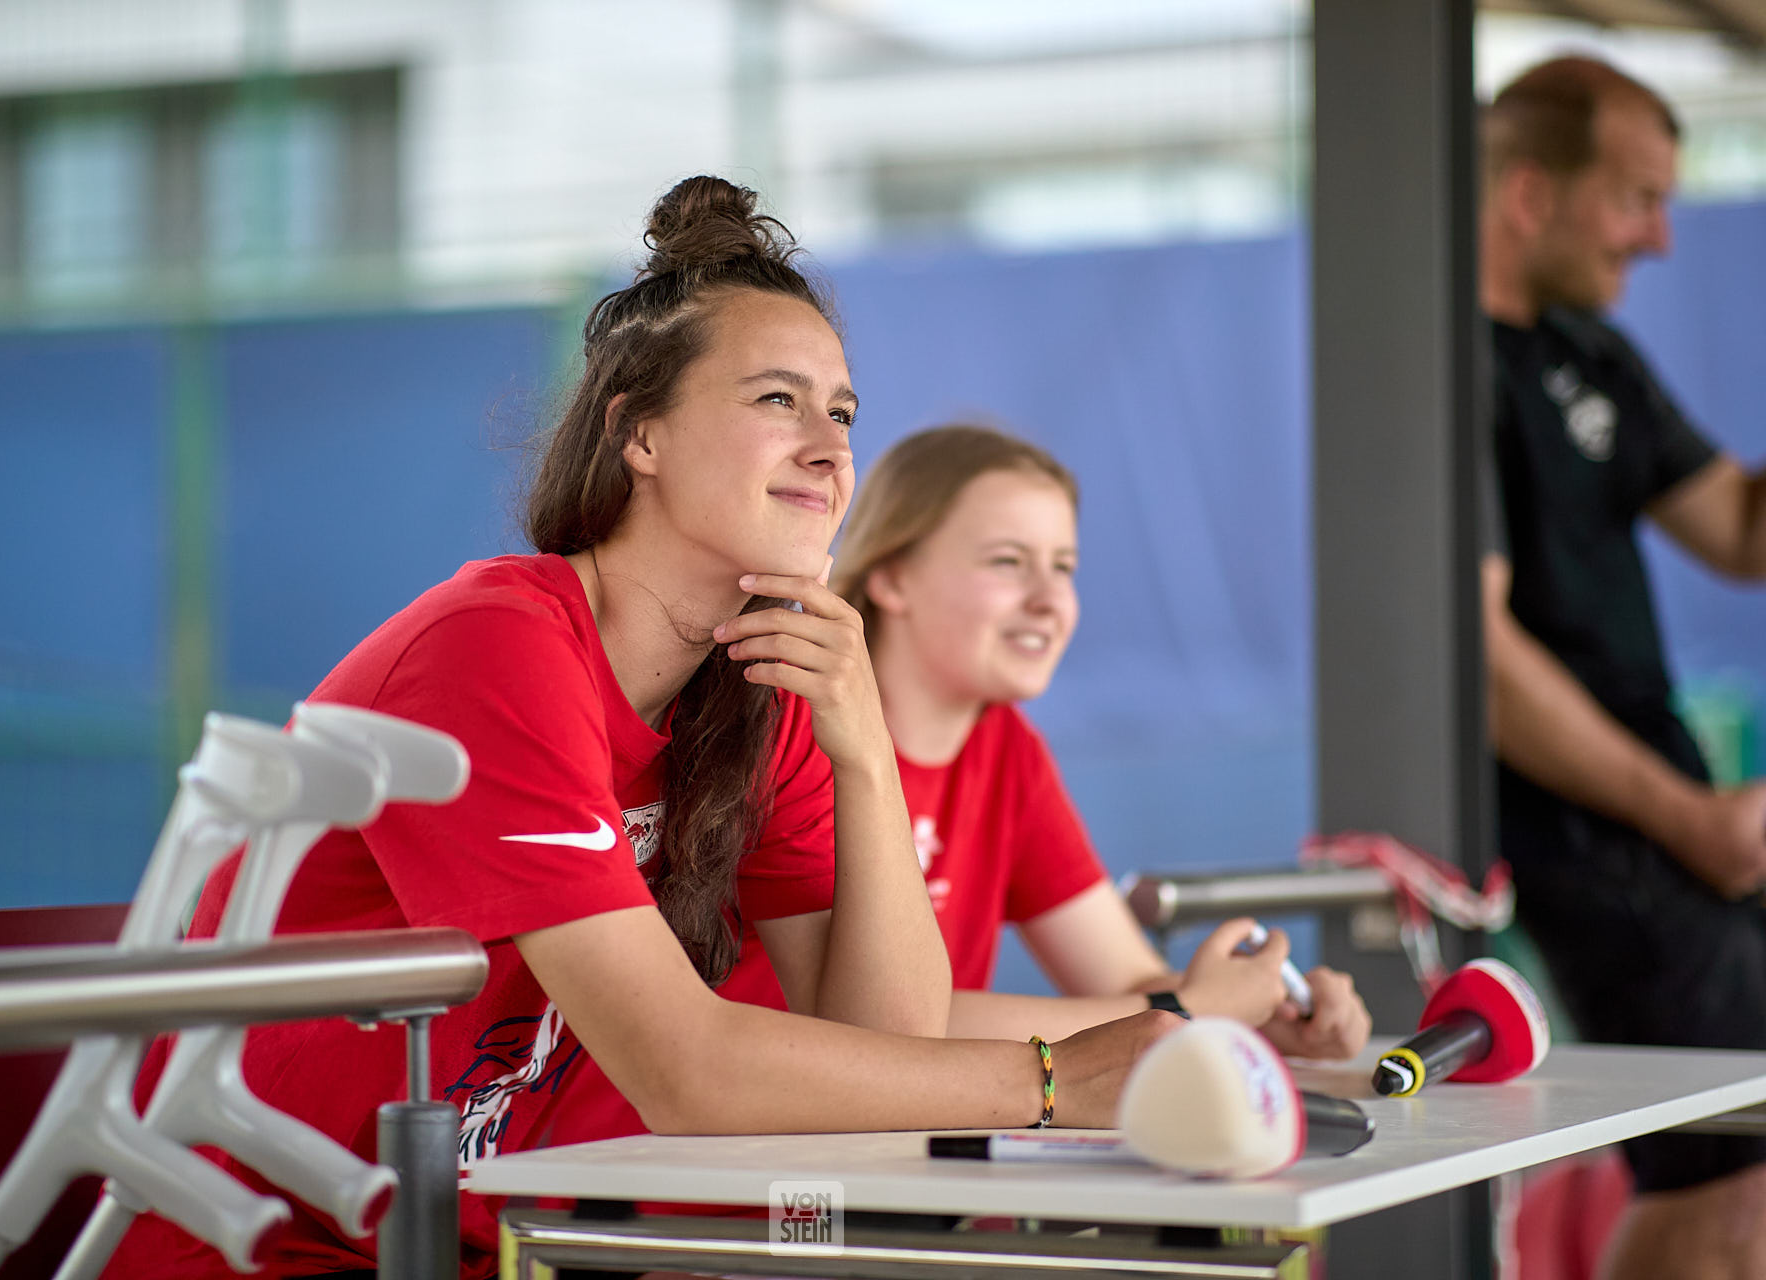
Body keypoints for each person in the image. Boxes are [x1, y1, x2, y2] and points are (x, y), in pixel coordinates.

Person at [103, 178, 1177, 1279]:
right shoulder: (496, 648)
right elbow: (686, 1070)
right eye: (778, 400)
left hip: (444, 1243)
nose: (828, 448)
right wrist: (1055, 1078)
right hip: (236, 1240)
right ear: (641, 433)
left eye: (842, 412)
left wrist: (863, 750)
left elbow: (881, 1051)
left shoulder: (764, 683)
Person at [546, 425, 1370, 1158]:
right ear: (894, 577)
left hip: (898, 1170)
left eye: (1066, 568)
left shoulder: (1007, 750)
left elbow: (1126, 992)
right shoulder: (778, 720)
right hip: (736, 1172)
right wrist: (1186, 1012)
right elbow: (885, 1036)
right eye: (1008, 564)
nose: (1049, 601)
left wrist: (1254, 1016)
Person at [1480, 56, 1766, 1280]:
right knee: (1727, 1171)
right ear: (1532, 194)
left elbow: (1742, 533)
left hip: (1669, 819)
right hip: (1590, 831)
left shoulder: (1591, 352)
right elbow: (1479, 664)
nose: (1657, 236)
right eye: (1634, 198)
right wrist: (1688, 815)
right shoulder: (1441, 366)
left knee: (1739, 1166)